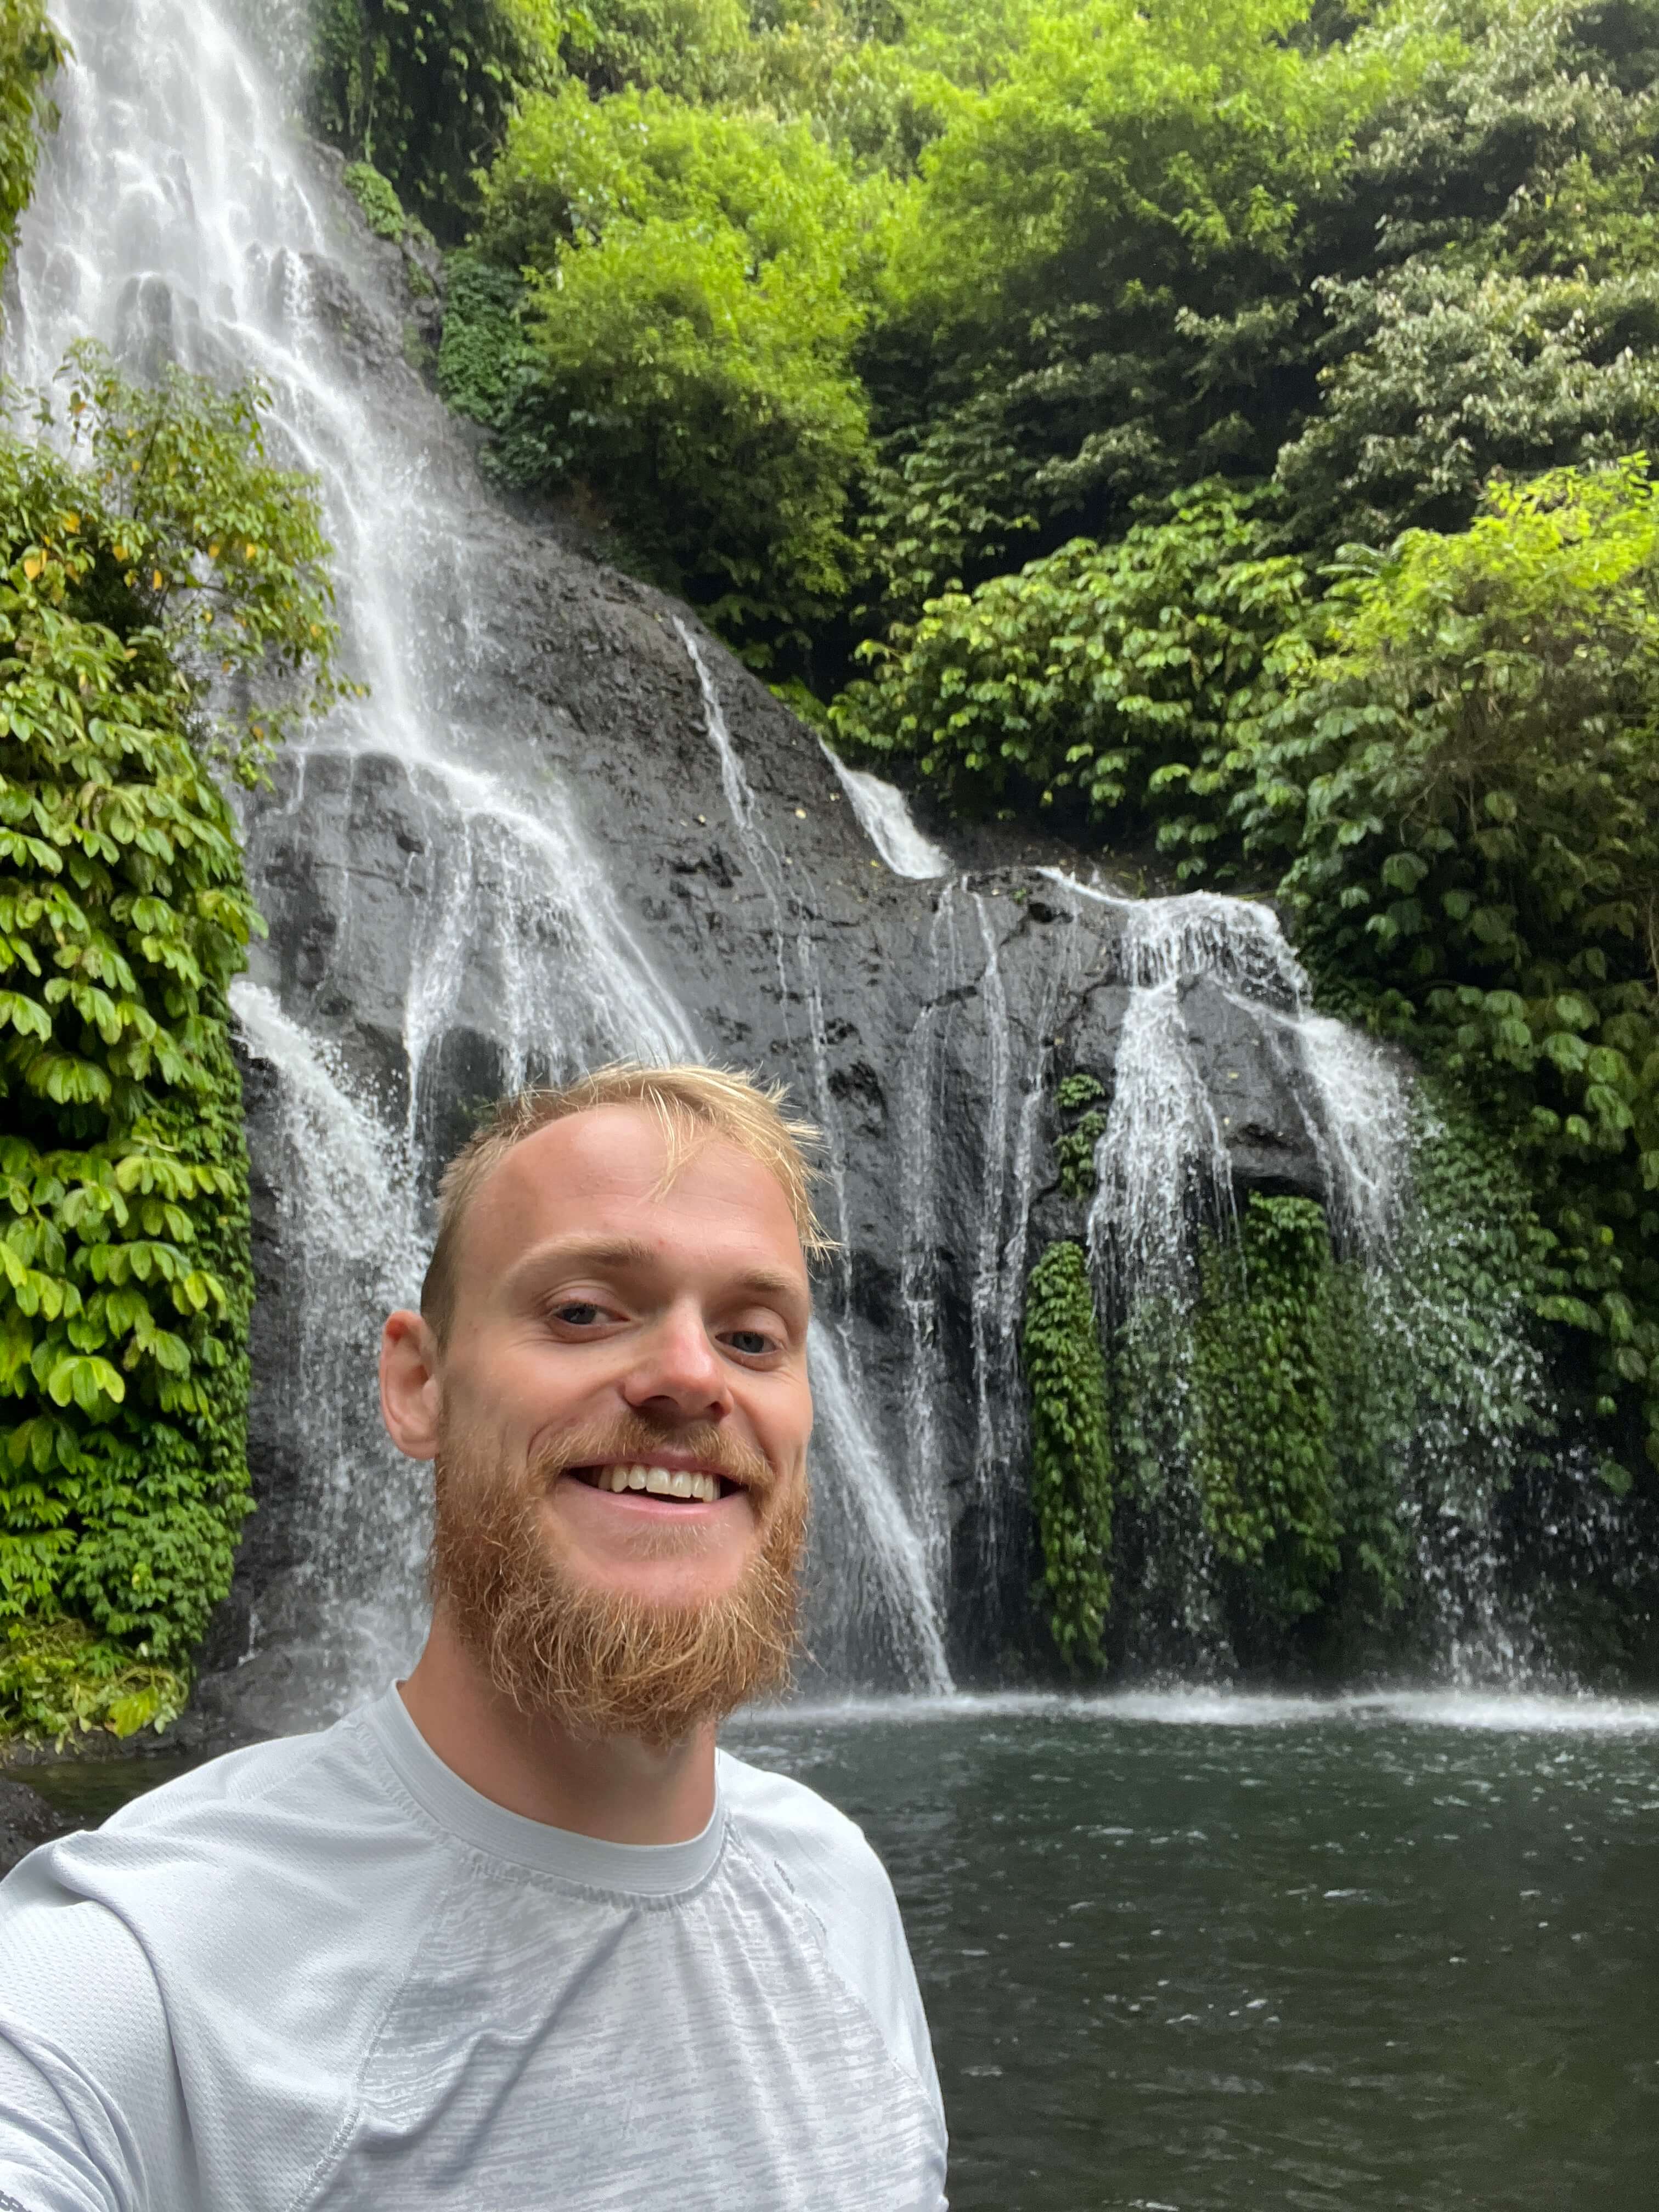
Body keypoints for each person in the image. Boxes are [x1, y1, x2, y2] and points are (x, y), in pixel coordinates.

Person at [0, 1062, 949, 2211]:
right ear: (418, 1384)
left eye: (754, 1338)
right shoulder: (133, 1975)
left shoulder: (837, 1891)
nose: (692, 1378)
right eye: (585, 1312)